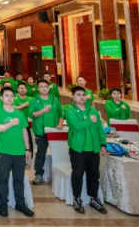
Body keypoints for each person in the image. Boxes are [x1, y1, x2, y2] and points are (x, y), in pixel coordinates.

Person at [63, 86, 107, 214]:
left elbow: (99, 129)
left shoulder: (93, 111)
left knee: (94, 175)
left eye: (83, 94)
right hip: (78, 149)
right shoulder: (69, 109)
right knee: (77, 174)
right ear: (73, 97)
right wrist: (89, 121)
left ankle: (93, 198)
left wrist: (103, 144)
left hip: (93, 148)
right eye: (78, 95)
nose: (82, 97)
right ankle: (77, 198)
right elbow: (76, 126)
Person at [0, 87, 35, 218]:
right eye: (7, 95)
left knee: (19, 178)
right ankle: (3, 205)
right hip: (4, 151)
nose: (9, 98)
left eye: (11, 95)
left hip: (19, 151)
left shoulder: (19, 114)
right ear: (1, 98)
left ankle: (20, 204)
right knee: (3, 178)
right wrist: (11, 123)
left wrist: (27, 148)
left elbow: (24, 131)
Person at [30, 79, 63, 185]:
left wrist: (60, 124)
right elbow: (31, 114)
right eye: (41, 87)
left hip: (54, 131)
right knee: (41, 153)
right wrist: (42, 111)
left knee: (57, 152)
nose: (44, 88)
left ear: (49, 88)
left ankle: (58, 174)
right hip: (41, 131)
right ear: (38, 88)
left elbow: (61, 114)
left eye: (46, 86)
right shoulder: (34, 100)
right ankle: (38, 174)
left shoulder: (55, 100)